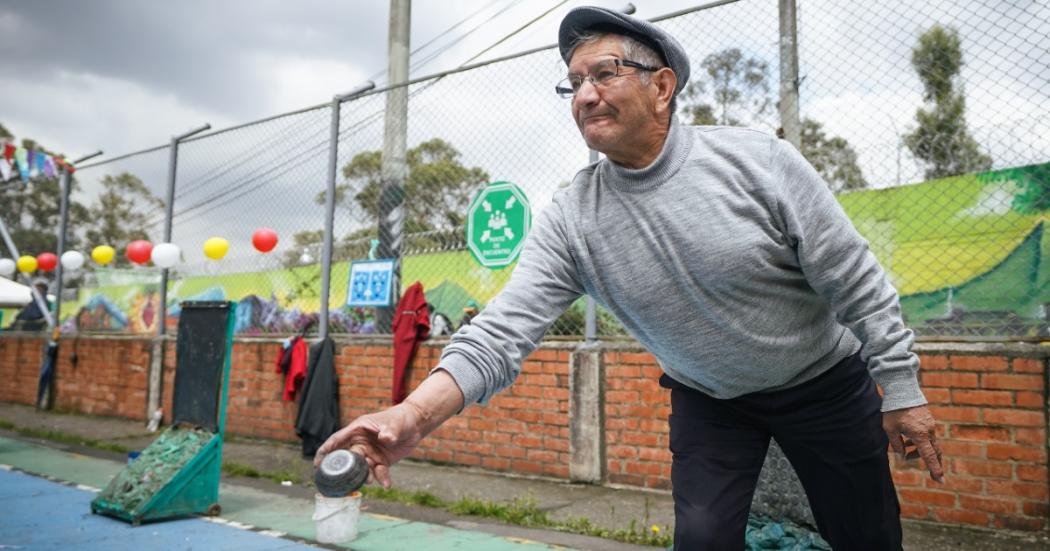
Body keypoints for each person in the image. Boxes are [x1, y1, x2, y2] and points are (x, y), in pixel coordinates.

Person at [317, 7, 943, 549]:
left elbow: (856, 282)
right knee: (701, 540)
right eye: (574, 83)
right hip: (711, 402)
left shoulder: (760, 163)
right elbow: (500, 334)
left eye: (604, 73)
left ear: (662, 86)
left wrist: (903, 388)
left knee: (867, 534)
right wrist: (413, 416)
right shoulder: (573, 217)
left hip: (824, 383)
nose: (585, 95)